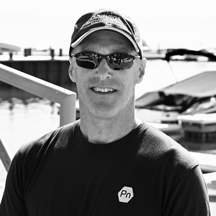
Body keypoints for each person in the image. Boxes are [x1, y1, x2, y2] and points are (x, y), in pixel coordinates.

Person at [0, 9, 211, 216]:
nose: (102, 72)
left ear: (140, 70)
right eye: (87, 58)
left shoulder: (177, 174)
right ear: (72, 68)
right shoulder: (29, 161)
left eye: (119, 59)